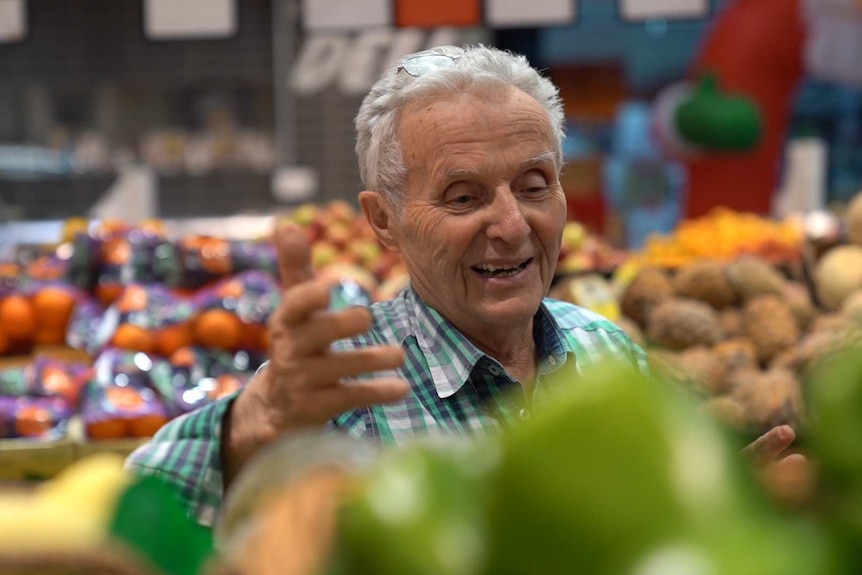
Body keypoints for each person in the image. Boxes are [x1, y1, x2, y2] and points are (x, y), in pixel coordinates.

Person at [126, 44, 804, 527]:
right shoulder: (345, 392)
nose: (511, 225)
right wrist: (254, 423)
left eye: (535, 186)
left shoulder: (608, 354)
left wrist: (705, 511)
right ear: (384, 222)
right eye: (462, 196)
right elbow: (123, 520)